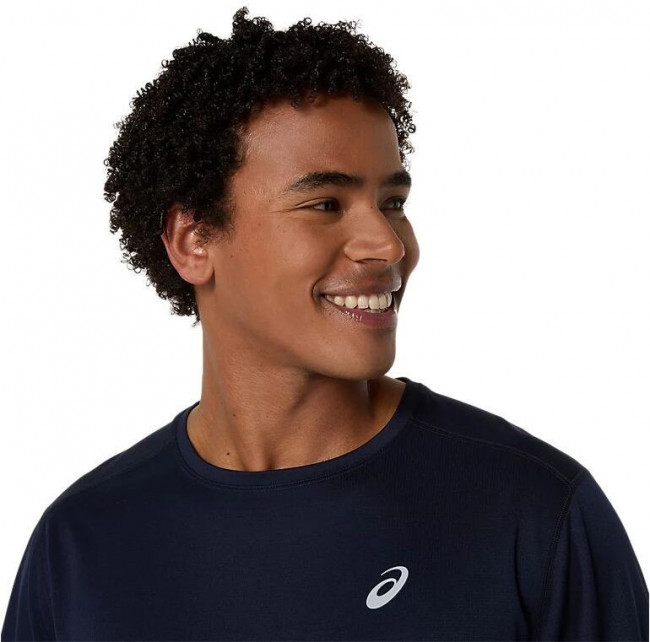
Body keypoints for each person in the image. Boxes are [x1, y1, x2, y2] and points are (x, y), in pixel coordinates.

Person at [2, 6, 648, 641]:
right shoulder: (83, 543)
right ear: (193, 241)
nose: (387, 244)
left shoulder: (531, 512)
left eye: (392, 202)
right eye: (325, 204)